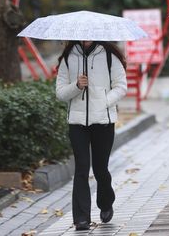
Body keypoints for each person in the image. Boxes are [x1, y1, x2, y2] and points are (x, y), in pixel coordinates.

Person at [56, 40, 127, 231]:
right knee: (81, 168)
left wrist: (104, 101)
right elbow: (60, 93)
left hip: (103, 121)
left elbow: (121, 86)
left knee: (100, 168)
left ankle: (105, 202)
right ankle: (81, 218)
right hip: (77, 123)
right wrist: (76, 86)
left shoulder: (109, 56)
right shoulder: (69, 57)